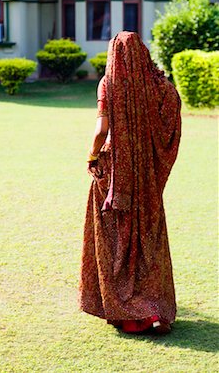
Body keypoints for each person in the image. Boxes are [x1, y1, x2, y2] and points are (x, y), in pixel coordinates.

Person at [78, 31, 181, 335]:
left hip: (114, 172)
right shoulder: (159, 86)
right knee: (147, 236)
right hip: (144, 173)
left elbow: (101, 130)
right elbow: (172, 110)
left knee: (115, 238)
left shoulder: (109, 83)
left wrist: (92, 155)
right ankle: (155, 311)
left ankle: (126, 311)